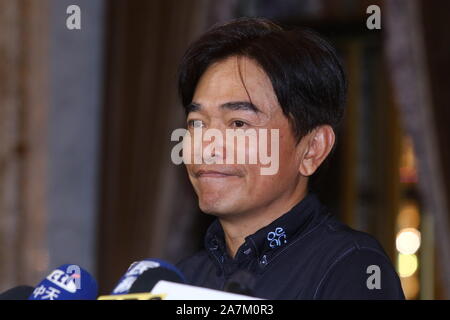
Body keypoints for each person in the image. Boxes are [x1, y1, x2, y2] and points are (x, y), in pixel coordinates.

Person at [175, 17, 405, 299]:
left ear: (312, 149)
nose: (207, 146)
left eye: (238, 124)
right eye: (196, 123)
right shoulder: (184, 279)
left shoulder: (351, 268)